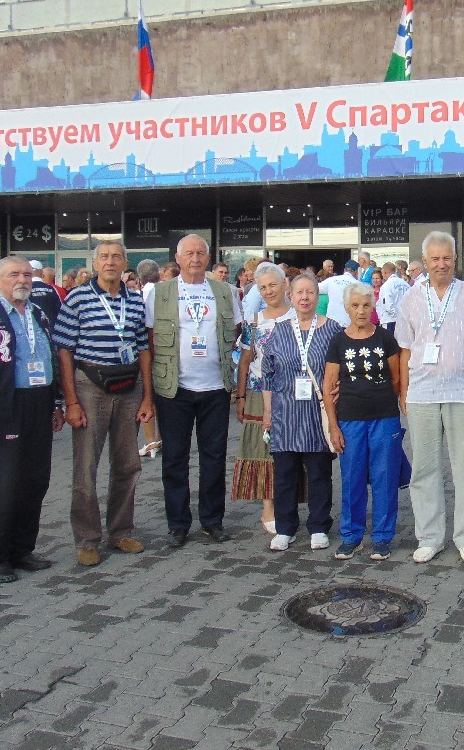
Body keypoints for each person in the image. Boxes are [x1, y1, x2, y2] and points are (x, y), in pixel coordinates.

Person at [0, 256, 65, 584]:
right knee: (0, 487)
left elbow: (50, 359)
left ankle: (22, 550)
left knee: (34, 481)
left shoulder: (38, 314)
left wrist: (55, 402)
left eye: (27, 274)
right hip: (2, 408)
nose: (22, 280)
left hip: (38, 405)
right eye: (14, 274)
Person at [397, 231, 464, 564]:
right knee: (424, 469)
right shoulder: (411, 297)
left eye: (447, 258)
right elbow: (405, 348)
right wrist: (404, 391)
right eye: (435, 259)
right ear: (425, 262)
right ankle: (429, 537)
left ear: (456, 259)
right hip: (422, 394)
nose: (442, 264)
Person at [54, 241, 154, 567]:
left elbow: (143, 349)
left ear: (125, 263)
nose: (110, 262)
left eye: (117, 257)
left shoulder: (135, 300)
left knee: (128, 464)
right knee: (86, 467)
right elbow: (64, 351)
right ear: (95, 264)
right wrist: (70, 401)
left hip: (129, 388)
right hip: (90, 387)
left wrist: (147, 396)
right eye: (104, 257)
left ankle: (120, 531)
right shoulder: (77, 298)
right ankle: (87, 539)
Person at [145, 234, 242, 548]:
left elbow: (235, 331)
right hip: (175, 388)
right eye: (189, 253)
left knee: (214, 457)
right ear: (177, 258)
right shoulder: (159, 293)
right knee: (175, 458)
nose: (195, 259)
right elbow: (149, 338)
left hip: (215, 387)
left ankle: (212, 521)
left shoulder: (225, 291)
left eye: (201, 253)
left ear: (209, 257)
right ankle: (178, 524)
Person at [261, 273, 342, 551]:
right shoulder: (279, 330)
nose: (305, 297)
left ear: (318, 297)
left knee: (319, 472)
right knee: (285, 474)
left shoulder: (332, 329)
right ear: (291, 296)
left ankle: (319, 526)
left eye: (310, 292)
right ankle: (285, 528)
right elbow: (267, 373)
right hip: (285, 413)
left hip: (317, 413)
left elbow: (342, 369)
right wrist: (268, 412)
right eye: (300, 292)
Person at [323, 281, 403, 561]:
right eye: (355, 305)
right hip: (350, 419)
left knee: (385, 477)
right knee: (352, 478)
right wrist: (334, 426)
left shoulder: (385, 338)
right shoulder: (338, 341)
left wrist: (384, 402)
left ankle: (382, 537)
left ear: (373, 307)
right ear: (347, 308)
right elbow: (329, 386)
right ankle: (351, 536)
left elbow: (396, 380)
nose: (360, 310)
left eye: (366, 305)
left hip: (384, 418)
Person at [233, 262, 295, 535]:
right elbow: (245, 360)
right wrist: (241, 396)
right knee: (264, 450)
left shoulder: (299, 316)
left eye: (273, 285)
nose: (269, 291)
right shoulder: (254, 321)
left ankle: (289, 503)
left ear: (285, 285)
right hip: (259, 392)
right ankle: (268, 507)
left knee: (292, 448)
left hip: (293, 392)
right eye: (263, 287)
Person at [135, 259, 162, 458]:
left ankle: (151, 441)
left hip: (146, 352)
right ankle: (159, 439)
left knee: (147, 397)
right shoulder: (162, 291)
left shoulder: (142, 294)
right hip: (161, 351)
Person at [321, 259, 361, 327]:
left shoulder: (331, 280)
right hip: (348, 323)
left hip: (331, 322)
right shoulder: (358, 284)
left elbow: (315, 289)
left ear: (344, 270)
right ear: (356, 272)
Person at [375, 261, 409, 335]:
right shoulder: (405, 284)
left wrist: (396, 316)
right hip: (404, 320)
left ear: (384, 272)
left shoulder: (386, 285)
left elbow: (387, 305)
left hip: (390, 320)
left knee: (389, 342)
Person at [29, 259, 61, 327]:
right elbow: (59, 311)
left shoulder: (25, 289)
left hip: (31, 327)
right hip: (50, 327)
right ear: (42, 273)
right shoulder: (52, 289)